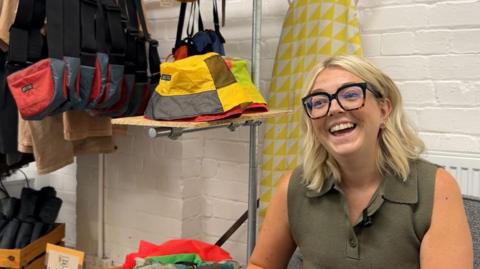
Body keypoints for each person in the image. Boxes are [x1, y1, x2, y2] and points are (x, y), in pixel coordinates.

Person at [247, 55, 473, 269]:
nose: (333, 108)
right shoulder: (294, 186)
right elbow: (261, 265)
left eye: (351, 95)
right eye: (318, 102)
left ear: (384, 110)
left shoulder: (435, 187)